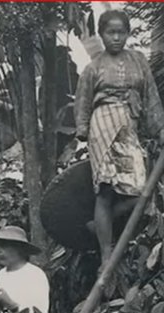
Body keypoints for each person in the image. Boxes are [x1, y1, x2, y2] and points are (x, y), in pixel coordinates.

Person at [74, 10, 164, 272]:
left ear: (128, 33)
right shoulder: (93, 67)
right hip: (102, 124)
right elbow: (83, 100)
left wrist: (160, 129)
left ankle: (102, 223)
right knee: (105, 189)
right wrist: (81, 128)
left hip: (129, 124)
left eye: (121, 32)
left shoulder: (138, 61)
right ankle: (106, 254)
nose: (116, 37)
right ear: (101, 35)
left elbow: (151, 97)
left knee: (140, 191)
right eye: (110, 33)